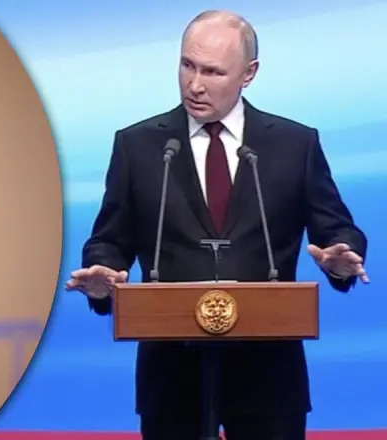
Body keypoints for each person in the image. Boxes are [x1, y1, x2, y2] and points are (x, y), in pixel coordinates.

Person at [65, 10, 368, 440]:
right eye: (187, 65)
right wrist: (102, 273)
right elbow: (110, 239)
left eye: (212, 71)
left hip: (268, 378)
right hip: (172, 377)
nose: (195, 84)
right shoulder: (139, 145)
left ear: (249, 74)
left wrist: (341, 257)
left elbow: (336, 228)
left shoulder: (293, 144)